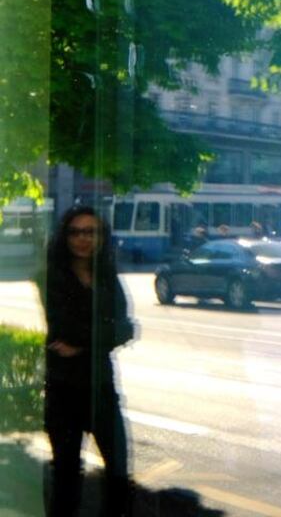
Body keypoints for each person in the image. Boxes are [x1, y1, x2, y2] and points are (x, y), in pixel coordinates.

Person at [39, 206, 134, 516]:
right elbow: (64, 327)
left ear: (102, 237)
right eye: (76, 232)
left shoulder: (106, 275)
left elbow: (125, 327)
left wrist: (81, 343)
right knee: (67, 479)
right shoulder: (52, 275)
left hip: (101, 388)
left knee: (119, 472)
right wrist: (102, 334)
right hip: (64, 390)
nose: (83, 239)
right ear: (65, 237)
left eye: (91, 232)